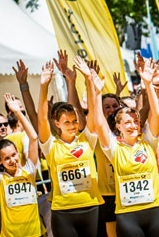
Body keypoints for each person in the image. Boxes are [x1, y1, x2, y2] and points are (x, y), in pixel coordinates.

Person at [91, 56, 159, 237]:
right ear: (118, 127)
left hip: (156, 211)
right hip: (128, 216)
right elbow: (99, 123)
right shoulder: (113, 148)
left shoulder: (148, 141)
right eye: (127, 122)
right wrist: (96, 93)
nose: (133, 125)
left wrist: (149, 84)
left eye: (135, 121)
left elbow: (156, 114)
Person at [37, 60, 104, 237]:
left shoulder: (87, 139)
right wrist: (43, 87)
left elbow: (93, 113)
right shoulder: (51, 145)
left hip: (90, 207)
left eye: (74, 121)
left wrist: (88, 79)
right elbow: (42, 119)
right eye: (67, 122)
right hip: (63, 212)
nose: (73, 125)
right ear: (57, 123)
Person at [0, 93, 43, 237]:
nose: (12, 160)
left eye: (14, 155)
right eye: (7, 158)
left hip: (34, 234)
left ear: (18, 153)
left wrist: (17, 113)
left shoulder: (29, 171)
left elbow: (34, 138)